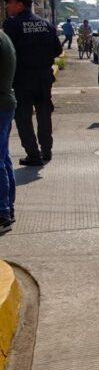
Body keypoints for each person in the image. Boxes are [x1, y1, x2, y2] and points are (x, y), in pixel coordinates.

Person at [2, 0, 62, 167]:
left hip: (23, 78)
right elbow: (58, 50)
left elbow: (9, 52)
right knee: (44, 113)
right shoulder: (46, 24)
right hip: (44, 77)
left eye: (10, 3)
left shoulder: (12, 25)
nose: (7, 6)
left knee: (23, 117)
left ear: (20, 5)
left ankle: (33, 155)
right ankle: (46, 151)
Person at [0, 25, 15, 231]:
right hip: (6, 103)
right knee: (4, 158)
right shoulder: (4, 36)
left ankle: (3, 213)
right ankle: (7, 208)